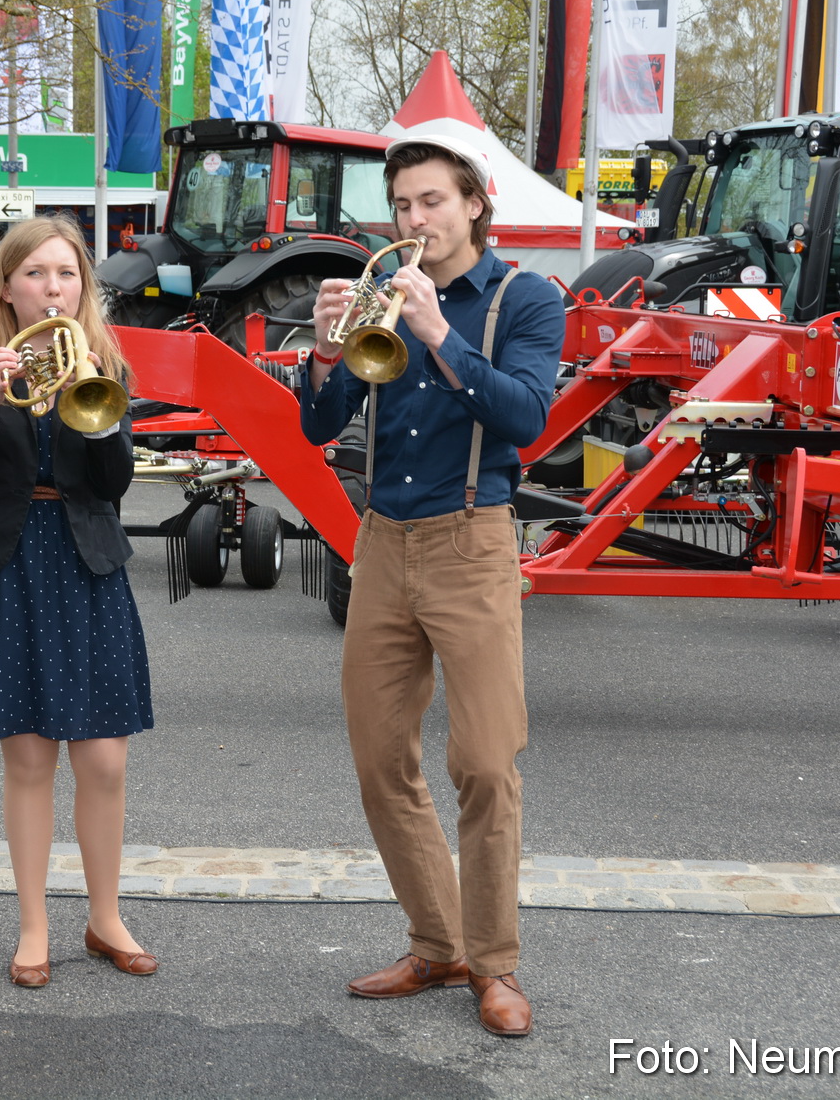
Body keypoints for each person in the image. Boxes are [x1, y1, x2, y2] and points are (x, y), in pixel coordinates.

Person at [300, 133, 564, 1038]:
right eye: (403, 206)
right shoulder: (381, 289)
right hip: (381, 543)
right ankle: (436, 940)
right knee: (381, 758)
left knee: (487, 763)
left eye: (432, 203)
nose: (415, 221)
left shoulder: (525, 298)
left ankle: (496, 965)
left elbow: (528, 416)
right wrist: (329, 355)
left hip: (472, 540)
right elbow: (318, 428)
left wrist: (436, 331)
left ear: (476, 202)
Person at [0, 214, 154, 990]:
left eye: (66, 274)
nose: (52, 287)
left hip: (85, 560)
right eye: (36, 274)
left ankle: (106, 916)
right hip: (6, 561)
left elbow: (116, 481)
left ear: (82, 284)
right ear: (9, 287)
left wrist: (93, 382)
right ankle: (33, 925)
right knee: (28, 760)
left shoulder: (104, 359)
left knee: (105, 761)